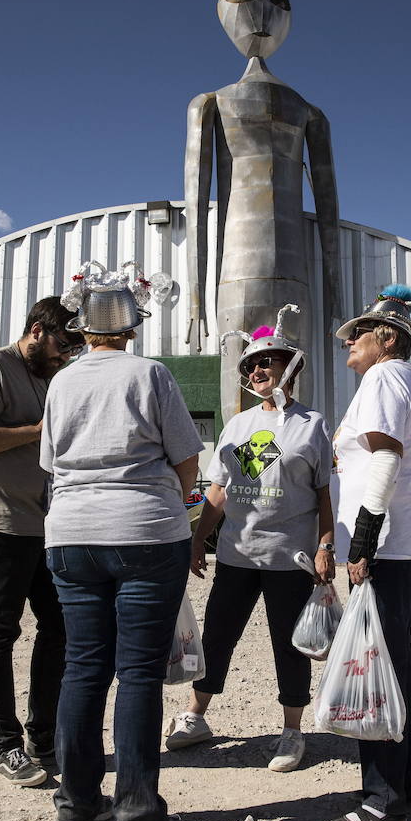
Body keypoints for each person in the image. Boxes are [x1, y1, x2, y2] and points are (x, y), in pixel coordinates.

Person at [40, 266, 198, 821]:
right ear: (132, 327)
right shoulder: (150, 374)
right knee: (137, 674)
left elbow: (50, 465)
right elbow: (186, 460)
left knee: (83, 667)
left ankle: (76, 805)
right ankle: (137, 815)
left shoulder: (61, 382)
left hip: (72, 531)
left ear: (82, 328)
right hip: (145, 533)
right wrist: (175, 500)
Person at [169, 305, 334, 774]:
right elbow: (218, 491)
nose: (258, 370)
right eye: (251, 365)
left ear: (291, 368)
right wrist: (199, 538)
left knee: (290, 645)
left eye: (268, 362)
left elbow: (325, 493)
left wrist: (326, 546)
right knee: (218, 637)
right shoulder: (238, 425)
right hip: (237, 554)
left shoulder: (313, 425)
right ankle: (196, 717)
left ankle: (292, 731)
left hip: (291, 558)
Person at [0, 296, 83, 788]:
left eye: (73, 347)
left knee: (61, 630)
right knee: (0, 632)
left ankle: (43, 736)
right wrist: (39, 431)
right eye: (61, 344)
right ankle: (3, 743)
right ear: (35, 330)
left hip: (48, 528)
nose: (66, 354)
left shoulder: (53, 378)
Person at [327, 284, 411, 821]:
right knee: (396, 662)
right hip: (400, 542)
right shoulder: (405, 381)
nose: (348, 343)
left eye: (357, 334)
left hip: (386, 545)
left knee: (381, 668)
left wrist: (364, 535)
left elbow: (387, 452)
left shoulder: (384, 377)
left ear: (386, 338)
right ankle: (406, 786)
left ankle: (384, 797)